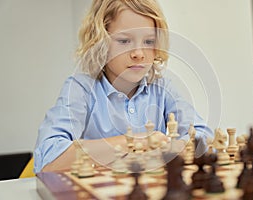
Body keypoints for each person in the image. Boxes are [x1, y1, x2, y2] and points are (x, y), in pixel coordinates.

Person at [34, 0, 213, 173]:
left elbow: (203, 138)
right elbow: (49, 160)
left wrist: (176, 147)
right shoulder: (81, 89)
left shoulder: (162, 87)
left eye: (149, 41)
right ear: (100, 41)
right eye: (124, 41)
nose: (138, 54)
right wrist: (138, 142)